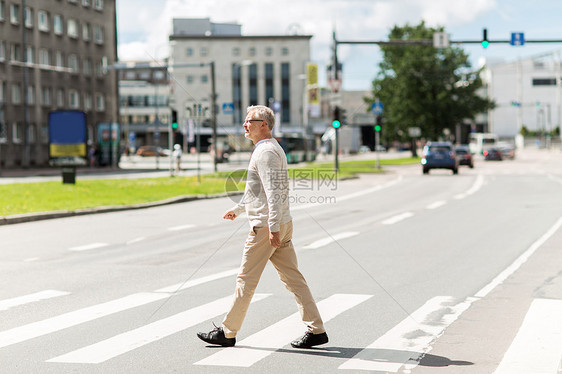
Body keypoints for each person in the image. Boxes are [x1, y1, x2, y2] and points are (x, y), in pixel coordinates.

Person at [197, 105, 328, 349]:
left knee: (245, 280)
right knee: (294, 280)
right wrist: (237, 210)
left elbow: (274, 192)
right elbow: (256, 191)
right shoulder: (268, 149)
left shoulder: (266, 152)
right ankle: (317, 329)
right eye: (245, 121)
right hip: (280, 224)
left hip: (267, 228)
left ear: (263, 125)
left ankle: (227, 332)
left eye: (250, 121)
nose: (245, 125)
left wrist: (273, 228)